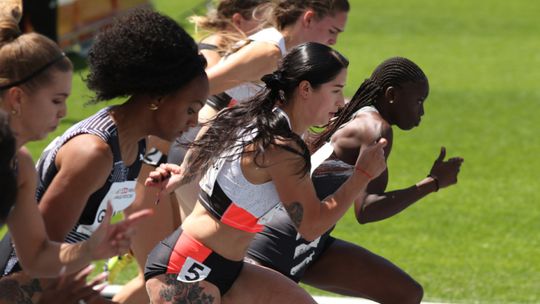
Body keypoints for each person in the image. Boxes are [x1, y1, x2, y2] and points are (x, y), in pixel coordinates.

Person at [144, 42, 387, 303]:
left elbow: (212, 130)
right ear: (305, 89)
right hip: (186, 265)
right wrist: (362, 174)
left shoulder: (253, 114)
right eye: (336, 91)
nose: (341, 103)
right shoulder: (282, 147)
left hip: (228, 267)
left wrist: (185, 172)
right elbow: (311, 226)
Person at [0, 7, 208, 303]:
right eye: (191, 109)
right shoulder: (93, 153)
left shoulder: (134, 146)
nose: (194, 122)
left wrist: (93, 250)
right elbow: (34, 258)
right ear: (159, 98)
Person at [246, 57, 464, 303]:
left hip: (308, 240)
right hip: (280, 248)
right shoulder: (377, 130)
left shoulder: (352, 110)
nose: (421, 112)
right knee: (406, 295)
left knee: (406, 293)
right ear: (391, 95)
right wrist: (433, 182)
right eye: (418, 101)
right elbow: (367, 209)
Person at [113, 2, 267, 303]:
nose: (268, 31)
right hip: (151, 168)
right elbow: (205, 82)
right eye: (264, 22)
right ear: (237, 20)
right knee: (156, 276)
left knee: (171, 271)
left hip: (177, 170)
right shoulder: (212, 50)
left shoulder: (246, 55)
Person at [171, 0, 351, 221]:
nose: (334, 41)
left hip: (222, 146)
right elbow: (201, 86)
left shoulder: (289, 52)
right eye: (333, 31)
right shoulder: (269, 52)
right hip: (206, 145)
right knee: (223, 240)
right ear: (309, 18)